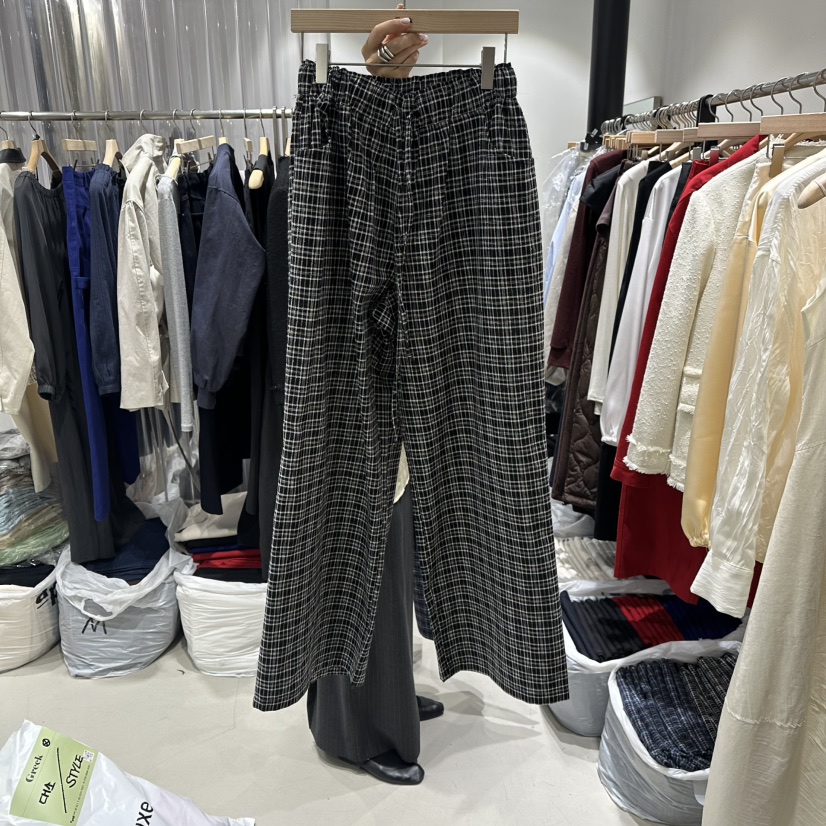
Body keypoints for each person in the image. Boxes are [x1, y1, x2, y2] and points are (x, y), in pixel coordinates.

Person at [305, 10, 441, 788]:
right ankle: (359, 732)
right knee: (363, 549)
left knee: (394, 552)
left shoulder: (384, 137)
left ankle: (389, 691)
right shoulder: (338, 141)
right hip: (355, 378)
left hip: (391, 378)